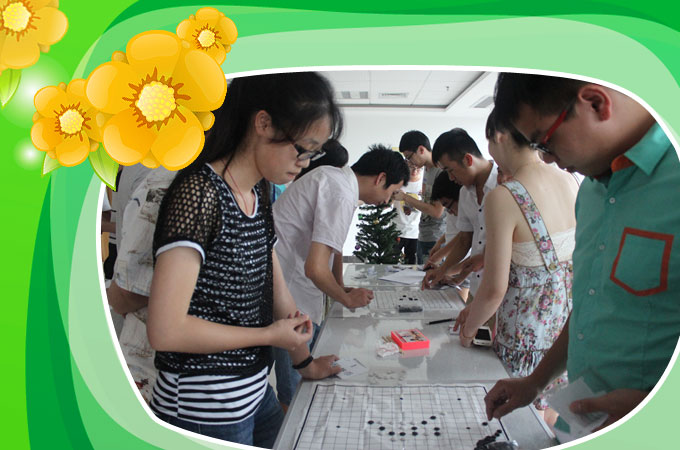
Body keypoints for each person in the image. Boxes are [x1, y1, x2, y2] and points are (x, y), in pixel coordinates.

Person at [146, 72, 343, 448]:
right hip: (204, 406)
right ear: (263, 123)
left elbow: (278, 291)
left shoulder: (257, 192)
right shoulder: (200, 194)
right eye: (302, 149)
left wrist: (304, 363)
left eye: (313, 153)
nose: (304, 163)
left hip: (252, 391)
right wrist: (269, 335)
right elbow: (166, 330)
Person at [484, 73, 680, 434]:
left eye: (545, 142)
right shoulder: (591, 190)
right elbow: (592, 306)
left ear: (595, 103)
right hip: (579, 424)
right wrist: (535, 382)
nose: (548, 159)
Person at [453, 110, 579, 426]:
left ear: (499, 137)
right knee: (546, 425)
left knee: (511, 428)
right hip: (564, 344)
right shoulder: (570, 179)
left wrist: (468, 331)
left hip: (522, 348)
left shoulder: (505, 196)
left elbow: (494, 289)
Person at [272, 144, 410, 408]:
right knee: (295, 386)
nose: (387, 201)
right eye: (391, 192)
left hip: (292, 287)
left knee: (302, 370)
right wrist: (346, 299)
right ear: (380, 178)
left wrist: (340, 287)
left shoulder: (338, 182)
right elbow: (315, 268)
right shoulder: (341, 192)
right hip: (289, 290)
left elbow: (333, 248)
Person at [421, 129, 498, 307]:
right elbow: (464, 240)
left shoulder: (504, 184)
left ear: (468, 160)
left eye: (450, 171)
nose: (451, 178)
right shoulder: (465, 193)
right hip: (478, 287)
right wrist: (442, 271)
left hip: (503, 290)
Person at [394, 131, 446, 264]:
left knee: (432, 274)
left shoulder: (439, 171)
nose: (409, 162)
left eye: (409, 157)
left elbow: (437, 212)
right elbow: (427, 202)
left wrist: (405, 197)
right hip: (424, 234)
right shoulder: (427, 170)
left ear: (421, 150)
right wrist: (412, 206)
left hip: (436, 236)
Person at [425, 172, 469, 301]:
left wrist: (444, 269)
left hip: (462, 265)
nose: (450, 212)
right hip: (456, 264)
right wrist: (440, 244)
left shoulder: (470, 210)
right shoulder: (458, 209)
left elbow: (463, 240)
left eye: (448, 206)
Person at [392, 162, 423, 264]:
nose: (414, 171)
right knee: (391, 260)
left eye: (418, 168)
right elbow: (388, 203)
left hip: (415, 231)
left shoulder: (424, 184)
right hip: (397, 228)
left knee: (411, 262)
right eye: (411, 167)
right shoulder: (398, 182)